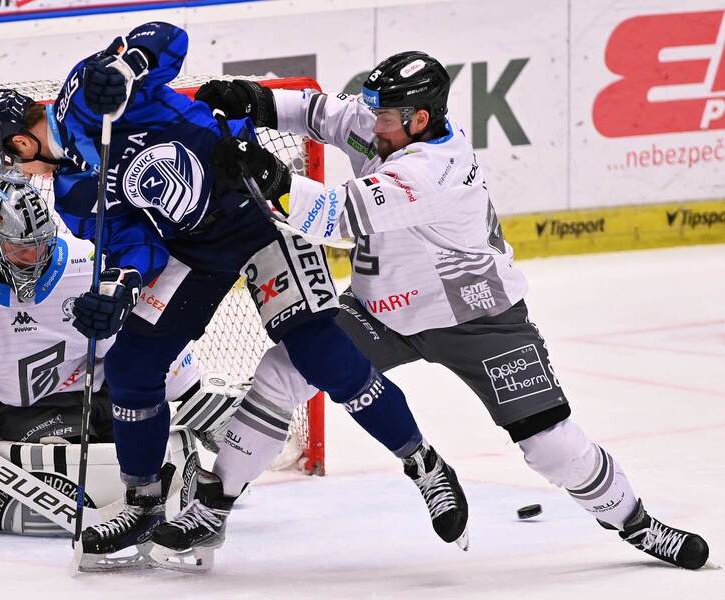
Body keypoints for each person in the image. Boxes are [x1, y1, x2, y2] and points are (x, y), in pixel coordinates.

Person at [157, 51, 712, 571]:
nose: (372, 124)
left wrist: (268, 173)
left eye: (386, 117)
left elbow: (337, 218)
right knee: (279, 374)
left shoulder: (434, 170)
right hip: (383, 313)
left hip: (479, 320)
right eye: (374, 110)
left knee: (550, 445)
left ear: (421, 119)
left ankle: (636, 524)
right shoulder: (384, 122)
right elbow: (317, 110)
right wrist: (253, 98)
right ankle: (214, 507)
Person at [0, 22, 467, 570]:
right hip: (195, 248)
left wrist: (127, 66)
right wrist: (117, 289)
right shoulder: (72, 191)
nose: (22, 176)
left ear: (19, 142)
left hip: (261, 210)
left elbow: (168, 39)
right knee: (133, 362)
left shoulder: (88, 94)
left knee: (319, 351)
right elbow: (136, 246)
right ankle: (144, 501)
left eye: (12, 166)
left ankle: (422, 464)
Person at [0, 179, 199, 444]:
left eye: (42, 245)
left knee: (136, 449)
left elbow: (146, 318)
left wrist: (189, 390)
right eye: (22, 249)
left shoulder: (87, 262)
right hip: (4, 405)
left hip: (97, 389)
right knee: (61, 462)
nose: (36, 257)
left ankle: (195, 398)